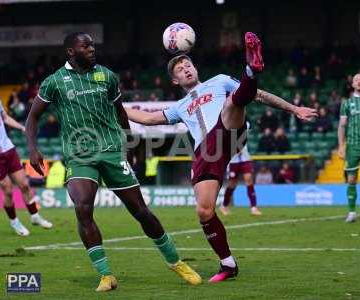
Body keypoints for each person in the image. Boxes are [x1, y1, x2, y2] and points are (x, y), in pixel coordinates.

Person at [125, 32, 317, 283]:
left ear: (196, 68)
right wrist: (114, 104)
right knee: (204, 211)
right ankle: (228, 264)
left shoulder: (218, 81)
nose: (186, 69)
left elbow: (258, 95)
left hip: (232, 132)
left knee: (230, 104)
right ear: (175, 80)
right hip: (208, 153)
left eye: (188, 65)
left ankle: (251, 70)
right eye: (180, 69)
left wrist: (294, 109)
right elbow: (148, 119)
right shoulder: (179, 106)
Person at [25, 32, 201, 293]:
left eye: (92, 45)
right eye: (85, 46)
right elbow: (32, 118)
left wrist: (129, 145)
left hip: (111, 151)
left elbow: (120, 113)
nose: (91, 49)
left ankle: (175, 261)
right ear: (71, 52)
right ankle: (106, 275)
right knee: (83, 207)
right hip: (79, 155)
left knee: (141, 211)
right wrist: (32, 149)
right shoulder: (54, 82)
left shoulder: (107, 76)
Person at [0, 71, 52, 236]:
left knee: (25, 185)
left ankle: (34, 216)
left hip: (9, 149)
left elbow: (5, 118)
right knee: (7, 190)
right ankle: (15, 222)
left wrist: (22, 127)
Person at [338, 73, 360, 223]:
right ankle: (351, 212)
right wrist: (341, 146)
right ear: (352, 84)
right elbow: (342, 126)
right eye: (356, 80)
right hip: (353, 146)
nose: (358, 82)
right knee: (351, 179)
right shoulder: (347, 103)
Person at [220, 145, 262, 216]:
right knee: (232, 184)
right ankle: (224, 206)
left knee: (249, 179)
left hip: (245, 158)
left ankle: (254, 208)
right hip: (233, 160)